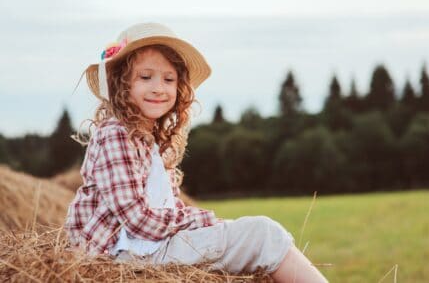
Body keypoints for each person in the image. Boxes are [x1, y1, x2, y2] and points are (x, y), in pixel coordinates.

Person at [64, 22, 328, 282]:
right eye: (146, 77)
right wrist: (204, 219)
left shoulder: (150, 142)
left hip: (147, 248)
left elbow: (164, 209)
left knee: (259, 234)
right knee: (264, 234)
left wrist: (200, 223)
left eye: (169, 79)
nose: (158, 87)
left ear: (178, 89)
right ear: (121, 84)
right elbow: (137, 219)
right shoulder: (116, 133)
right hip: (122, 255)